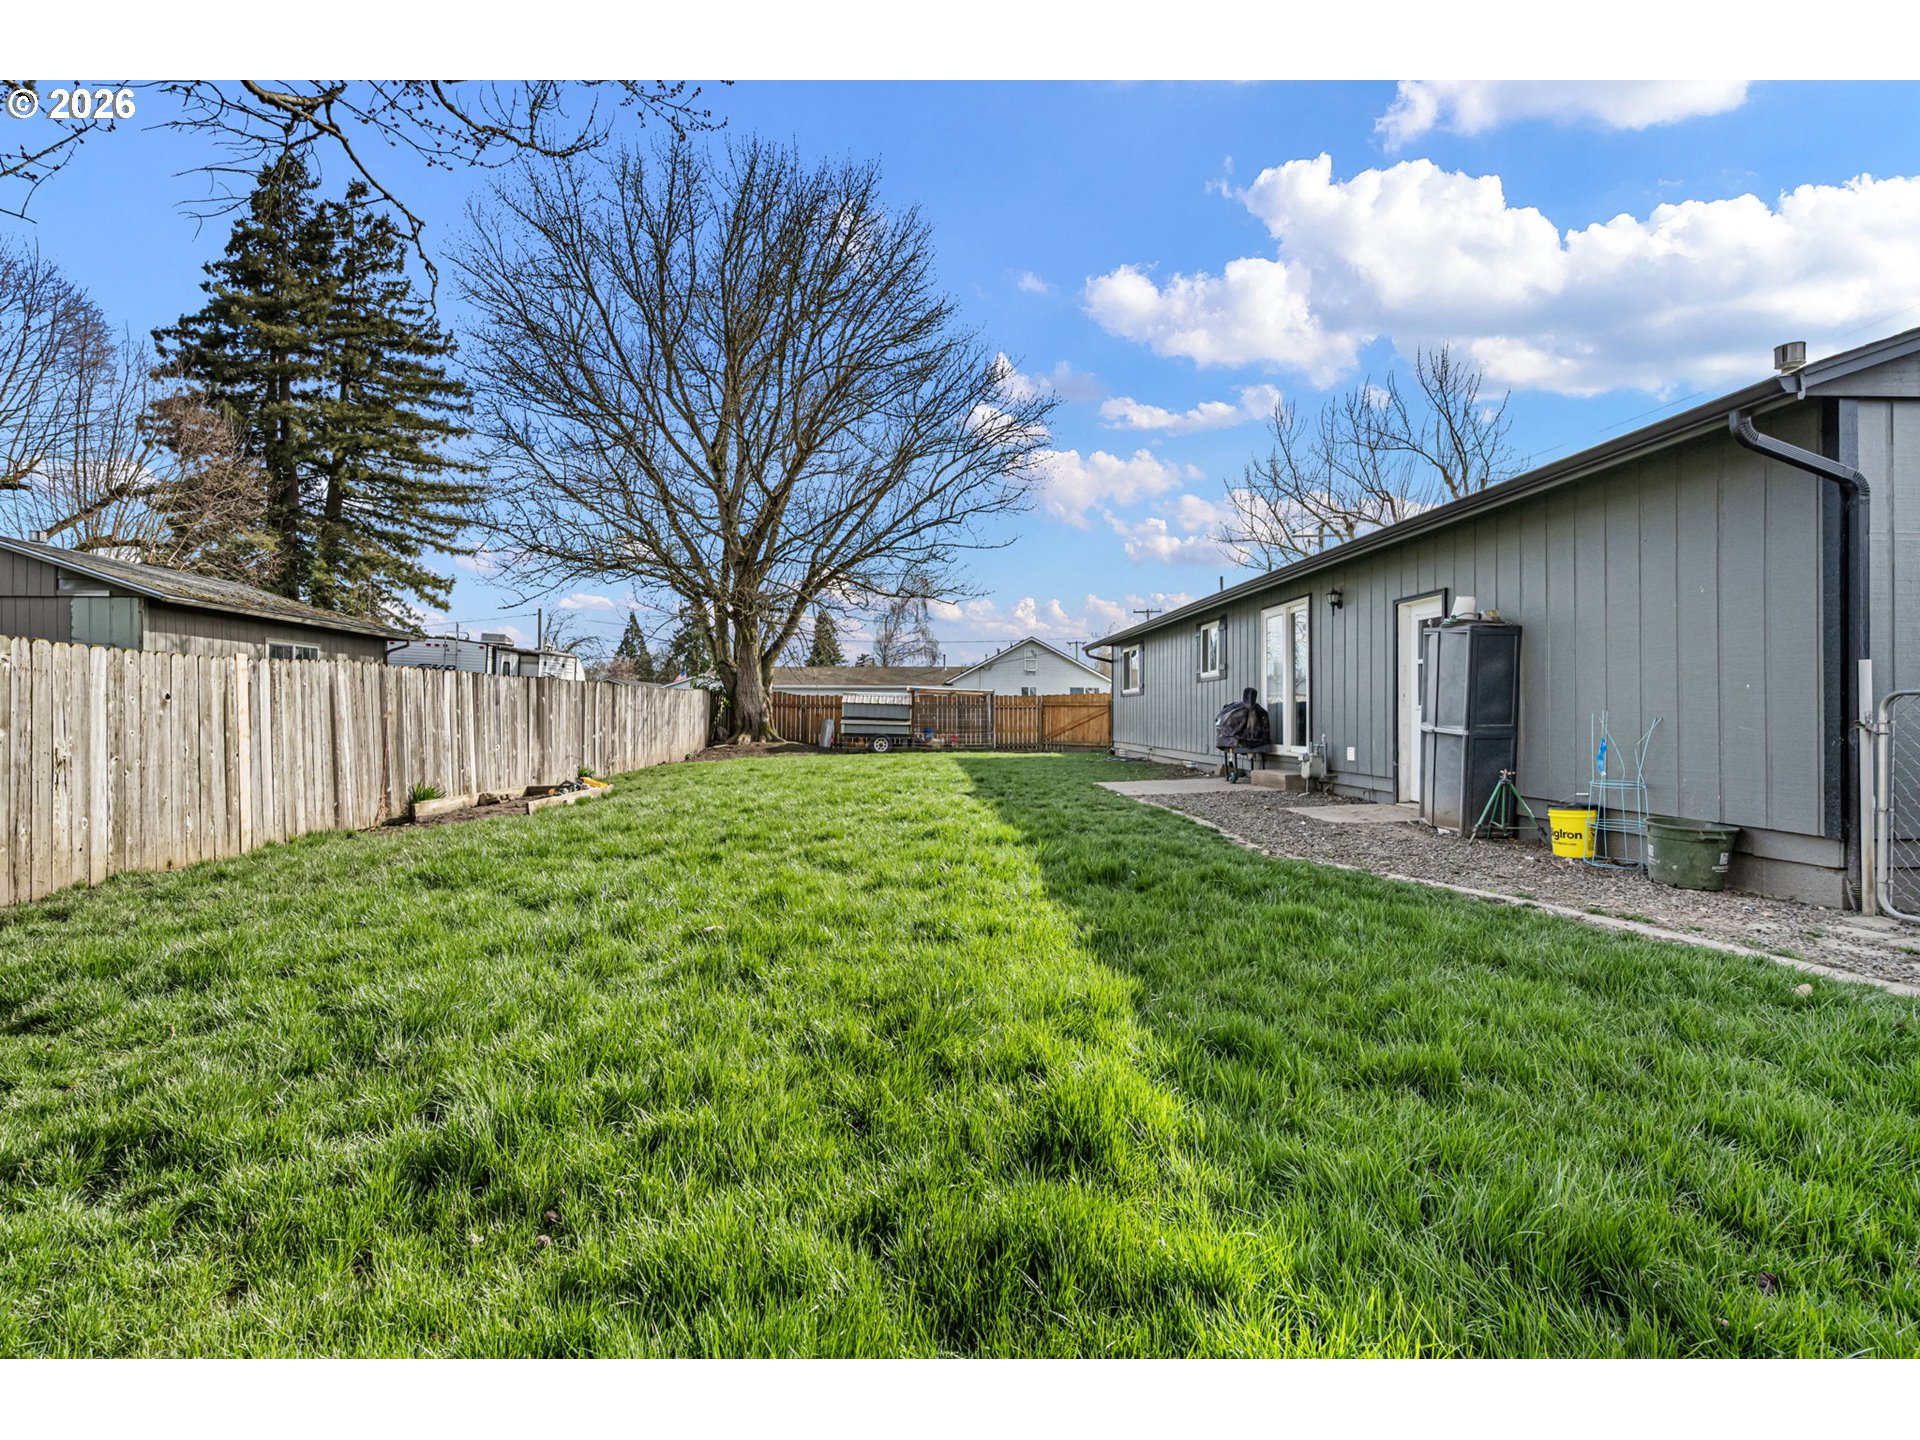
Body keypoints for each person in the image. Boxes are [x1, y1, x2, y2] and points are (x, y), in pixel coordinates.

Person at [1214, 686, 1271, 779]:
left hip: (1244, 742)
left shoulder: (1259, 712)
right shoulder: (1259, 711)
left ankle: (1234, 773)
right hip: (1247, 742)